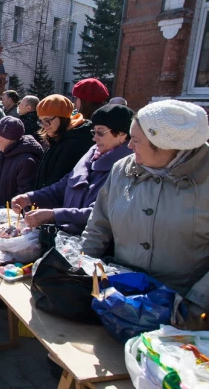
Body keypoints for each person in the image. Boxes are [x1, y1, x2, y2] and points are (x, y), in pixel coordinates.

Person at [80, 100, 209, 331]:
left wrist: (197, 303)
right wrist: (82, 266)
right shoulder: (122, 170)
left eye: (136, 140)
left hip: (180, 317)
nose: (129, 146)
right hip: (119, 302)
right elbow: (99, 224)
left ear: (167, 145)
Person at [12, 104, 134, 234]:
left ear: (122, 134)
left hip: (94, 245)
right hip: (68, 238)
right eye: (94, 132)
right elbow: (63, 186)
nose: (94, 138)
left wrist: (54, 215)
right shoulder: (92, 154)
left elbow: (101, 214)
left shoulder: (126, 169)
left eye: (100, 132)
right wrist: (30, 197)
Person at [34, 94, 94, 189]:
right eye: (41, 121)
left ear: (62, 118)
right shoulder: (57, 137)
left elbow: (58, 181)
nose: (44, 126)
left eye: (47, 120)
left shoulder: (75, 143)